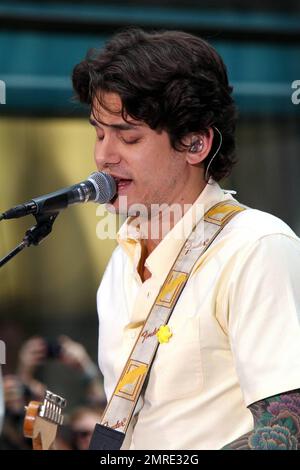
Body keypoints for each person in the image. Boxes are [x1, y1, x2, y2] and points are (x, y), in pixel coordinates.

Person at [72, 28, 300, 450]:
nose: (104, 156)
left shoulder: (256, 247)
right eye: (99, 133)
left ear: (195, 142)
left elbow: (287, 432)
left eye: (129, 136)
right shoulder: (120, 264)